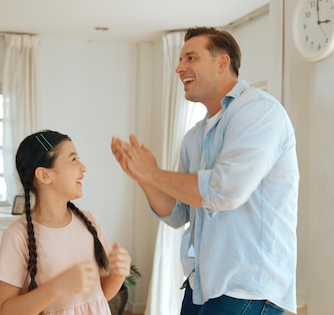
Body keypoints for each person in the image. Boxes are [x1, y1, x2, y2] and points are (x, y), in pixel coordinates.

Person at [111, 27, 299, 315]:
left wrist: (153, 174)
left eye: (190, 58)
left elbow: (225, 191)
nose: (179, 68)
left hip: (247, 289)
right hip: (201, 285)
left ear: (222, 63)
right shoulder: (194, 137)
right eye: (180, 59)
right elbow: (177, 213)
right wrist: (143, 177)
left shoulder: (259, 112)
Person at [0, 130, 131, 315]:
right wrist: (56, 288)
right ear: (44, 175)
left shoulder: (89, 221)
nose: (83, 167)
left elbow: (100, 295)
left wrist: (118, 275)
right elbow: (3, 311)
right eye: (73, 160)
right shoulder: (17, 236)